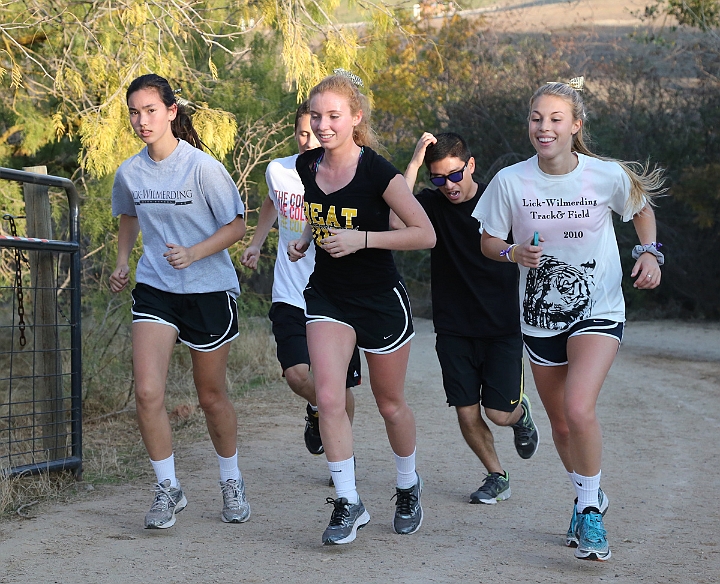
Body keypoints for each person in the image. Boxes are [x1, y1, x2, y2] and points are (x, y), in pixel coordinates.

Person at [472, 77, 665, 561]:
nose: (545, 127)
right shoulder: (510, 181)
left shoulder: (605, 175)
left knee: (579, 408)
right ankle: (586, 495)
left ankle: (591, 515)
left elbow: (640, 208)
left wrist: (649, 253)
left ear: (575, 125)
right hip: (540, 319)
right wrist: (512, 252)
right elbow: (487, 242)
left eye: (556, 119)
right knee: (560, 422)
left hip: (598, 308)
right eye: (537, 118)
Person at [288, 70, 436, 545]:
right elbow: (319, 210)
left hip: (379, 300)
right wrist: (305, 239)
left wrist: (363, 240)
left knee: (390, 405)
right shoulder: (306, 165)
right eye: (317, 115)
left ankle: (408, 485)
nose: (324, 124)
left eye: (334, 115)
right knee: (329, 398)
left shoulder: (379, 172)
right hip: (329, 295)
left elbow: (424, 234)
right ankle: (349, 501)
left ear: (356, 118)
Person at [109, 73, 250, 529]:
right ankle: (168, 488)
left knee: (210, 396)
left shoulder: (201, 167)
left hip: (208, 290)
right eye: (134, 111)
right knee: (148, 392)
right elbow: (129, 216)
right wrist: (123, 260)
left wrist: (194, 252)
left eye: (150, 110)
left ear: (171, 112)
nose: (141, 120)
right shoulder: (130, 172)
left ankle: (231, 481)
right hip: (156, 289)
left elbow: (236, 226)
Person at [397, 131, 539, 506]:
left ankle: (520, 415)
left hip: (502, 324)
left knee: (498, 413)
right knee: (465, 409)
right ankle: (497, 475)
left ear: (470, 165)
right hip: (454, 326)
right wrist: (413, 163)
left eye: (455, 175)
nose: (449, 186)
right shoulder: (430, 205)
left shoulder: (500, 198)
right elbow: (396, 218)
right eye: (438, 178)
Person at [240, 102, 361, 478]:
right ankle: (316, 410)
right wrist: (257, 242)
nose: (309, 138)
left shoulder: (348, 173)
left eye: (316, 130)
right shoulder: (279, 170)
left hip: (337, 294)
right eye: (303, 131)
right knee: (296, 374)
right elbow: (270, 203)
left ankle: (341, 457)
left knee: (338, 388)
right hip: (291, 291)